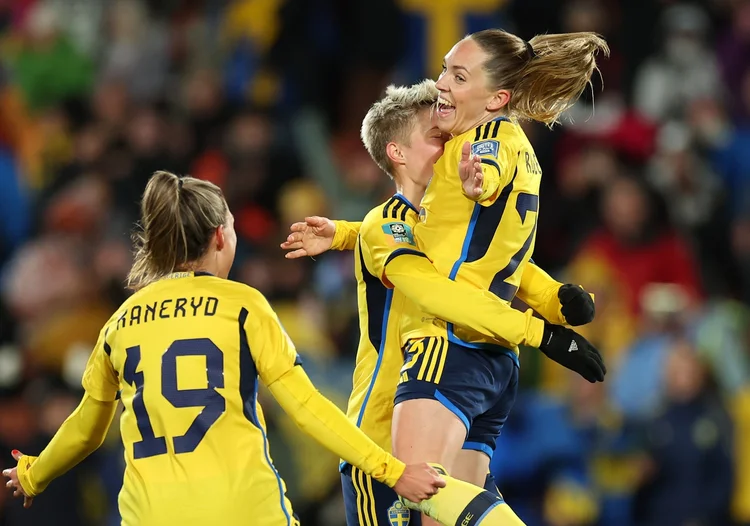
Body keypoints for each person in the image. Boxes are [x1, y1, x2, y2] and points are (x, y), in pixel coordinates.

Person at [1, 171, 448, 526]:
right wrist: (392, 471)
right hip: (244, 511)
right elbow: (307, 407)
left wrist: (33, 475)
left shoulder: (119, 323)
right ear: (220, 236)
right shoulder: (243, 305)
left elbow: (86, 429)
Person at [282, 78, 604, 524]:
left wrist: (553, 299)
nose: (454, 148)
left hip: (441, 412)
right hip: (382, 441)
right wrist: (538, 332)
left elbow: (500, 266)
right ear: (397, 153)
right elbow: (439, 292)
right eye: (438, 139)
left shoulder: (445, 227)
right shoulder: (386, 226)